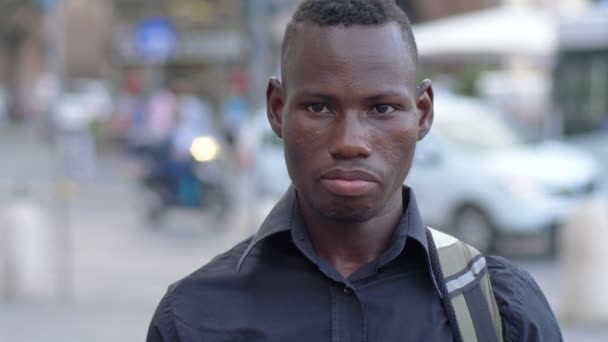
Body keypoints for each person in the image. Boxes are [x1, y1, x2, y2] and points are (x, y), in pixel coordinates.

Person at [147, 1, 562, 341]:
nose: (350, 141)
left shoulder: (495, 310)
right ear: (277, 109)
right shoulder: (194, 317)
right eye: (318, 107)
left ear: (422, 113)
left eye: (382, 108)